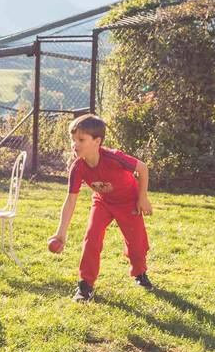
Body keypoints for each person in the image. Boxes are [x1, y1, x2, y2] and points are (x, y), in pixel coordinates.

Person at [48, 113, 154, 302]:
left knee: (136, 244)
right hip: (103, 201)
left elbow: (142, 168)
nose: (75, 144)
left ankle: (140, 273)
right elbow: (70, 200)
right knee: (92, 236)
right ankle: (85, 286)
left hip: (128, 201)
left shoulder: (114, 157)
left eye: (81, 139)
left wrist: (142, 198)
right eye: (73, 139)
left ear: (97, 141)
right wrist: (60, 233)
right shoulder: (78, 167)